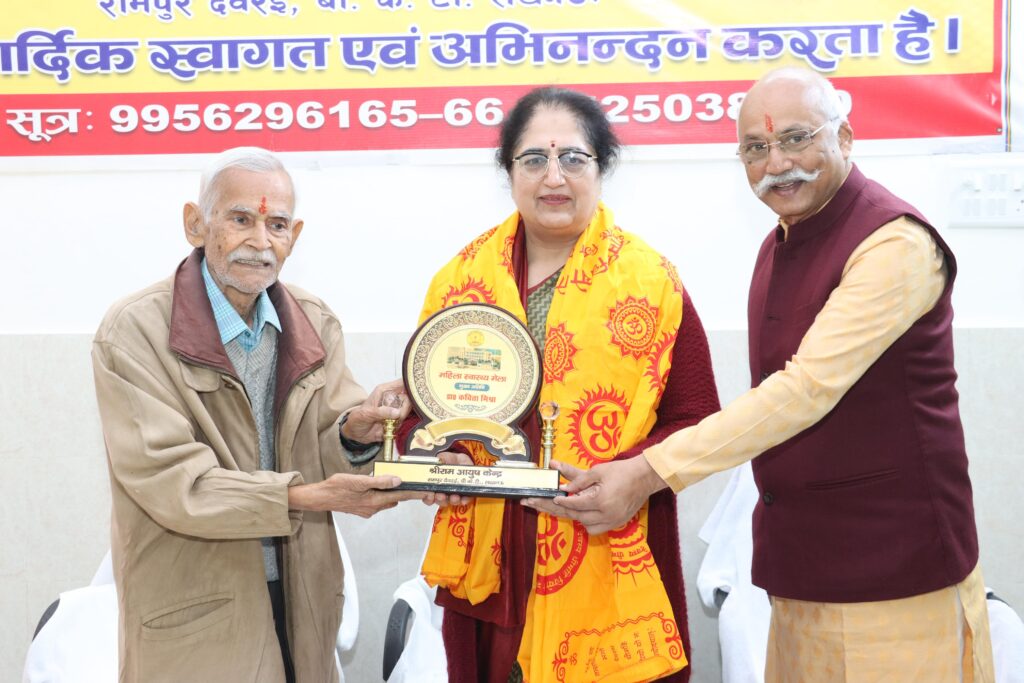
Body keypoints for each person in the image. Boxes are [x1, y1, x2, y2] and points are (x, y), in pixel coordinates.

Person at [533, 67, 996, 681]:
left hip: (894, 572)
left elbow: (805, 389)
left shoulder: (895, 245)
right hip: (802, 567)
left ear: (845, 137)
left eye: (796, 139)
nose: (777, 163)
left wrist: (647, 472)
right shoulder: (783, 241)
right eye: (755, 148)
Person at [404, 87, 721, 683]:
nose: (553, 176)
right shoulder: (460, 281)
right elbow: (421, 408)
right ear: (509, 171)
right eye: (533, 159)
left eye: (573, 157)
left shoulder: (652, 283)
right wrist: (436, 457)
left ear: (602, 168)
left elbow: (698, 416)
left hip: (608, 540)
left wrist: (635, 477)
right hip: (492, 569)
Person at [92, 146, 423, 683]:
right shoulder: (134, 331)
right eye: (241, 219)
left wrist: (354, 432)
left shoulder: (313, 320)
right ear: (195, 224)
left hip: (302, 599)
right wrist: (304, 497)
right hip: (196, 608)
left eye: (277, 224)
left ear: (296, 235)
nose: (261, 241)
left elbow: (326, 442)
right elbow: (173, 481)